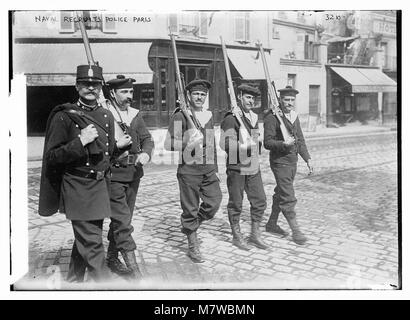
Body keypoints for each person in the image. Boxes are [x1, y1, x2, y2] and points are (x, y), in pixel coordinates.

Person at [38, 65, 131, 282]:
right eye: (85, 84)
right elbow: (52, 157)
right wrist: (80, 142)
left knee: (88, 240)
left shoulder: (106, 115)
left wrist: (119, 147)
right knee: (93, 246)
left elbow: (105, 153)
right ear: (77, 85)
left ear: (100, 88)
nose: (90, 88)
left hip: (99, 187)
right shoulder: (64, 116)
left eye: (95, 84)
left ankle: (73, 283)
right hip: (77, 187)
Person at [164, 79, 222, 263]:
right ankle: (192, 244)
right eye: (196, 94)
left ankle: (191, 225)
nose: (200, 97)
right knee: (190, 208)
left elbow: (211, 143)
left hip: (208, 169)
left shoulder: (208, 116)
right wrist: (187, 143)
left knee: (214, 202)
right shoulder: (181, 115)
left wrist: (216, 169)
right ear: (188, 96)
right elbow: (168, 143)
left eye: (203, 94)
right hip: (189, 170)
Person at [104, 75, 154, 279]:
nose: (129, 96)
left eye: (131, 92)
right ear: (113, 94)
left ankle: (111, 257)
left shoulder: (135, 115)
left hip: (133, 174)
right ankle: (135, 271)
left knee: (123, 218)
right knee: (123, 222)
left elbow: (147, 139)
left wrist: (146, 153)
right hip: (114, 174)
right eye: (124, 92)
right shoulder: (105, 114)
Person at [220, 84, 268, 251]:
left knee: (260, 199)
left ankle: (255, 234)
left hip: (252, 164)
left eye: (253, 98)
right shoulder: (231, 118)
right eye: (247, 97)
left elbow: (256, 144)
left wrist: (256, 143)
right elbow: (225, 144)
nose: (251, 101)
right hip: (236, 166)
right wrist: (243, 145)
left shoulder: (253, 117)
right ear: (239, 97)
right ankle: (236, 235)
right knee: (236, 202)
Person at [263, 85, 314, 245]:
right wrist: (283, 144)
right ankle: (296, 231)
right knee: (288, 196)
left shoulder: (293, 116)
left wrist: (308, 159)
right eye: (286, 100)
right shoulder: (272, 117)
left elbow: (300, 139)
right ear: (280, 100)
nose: (290, 103)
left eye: (292, 100)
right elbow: (267, 142)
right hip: (279, 162)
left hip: (292, 162)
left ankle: (271, 224)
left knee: (281, 192)